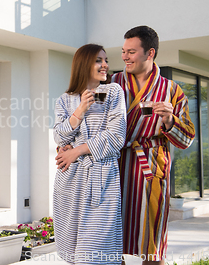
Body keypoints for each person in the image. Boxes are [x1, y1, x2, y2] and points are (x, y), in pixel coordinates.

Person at [113, 25, 195, 265]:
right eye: (123, 51)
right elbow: (91, 120)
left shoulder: (172, 90)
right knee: (112, 239)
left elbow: (187, 140)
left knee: (153, 242)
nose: (124, 57)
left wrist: (170, 120)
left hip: (149, 170)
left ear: (150, 53)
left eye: (131, 51)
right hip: (114, 168)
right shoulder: (112, 83)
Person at [53, 43, 126, 265]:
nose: (105, 65)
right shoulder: (64, 100)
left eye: (105, 60)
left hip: (102, 180)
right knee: (73, 254)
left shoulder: (113, 92)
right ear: (84, 64)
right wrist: (80, 109)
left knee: (94, 255)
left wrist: (77, 150)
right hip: (70, 181)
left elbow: (116, 136)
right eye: (98, 60)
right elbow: (59, 137)